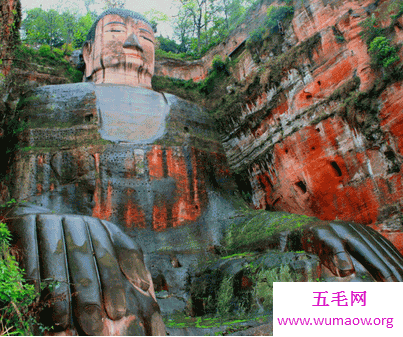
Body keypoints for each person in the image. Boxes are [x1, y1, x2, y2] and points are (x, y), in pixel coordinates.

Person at [5, 7, 403, 336]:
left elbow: (229, 217)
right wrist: (58, 230)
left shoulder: (189, 114)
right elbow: (22, 204)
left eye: (145, 37)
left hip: (206, 275)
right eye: (115, 30)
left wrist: (300, 230)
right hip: (109, 275)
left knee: (346, 292)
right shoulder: (48, 101)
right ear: (89, 52)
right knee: (96, 304)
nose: (131, 43)